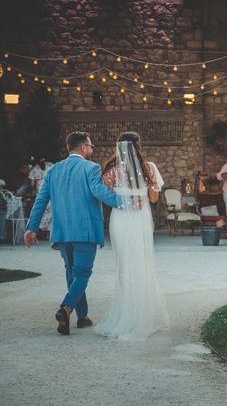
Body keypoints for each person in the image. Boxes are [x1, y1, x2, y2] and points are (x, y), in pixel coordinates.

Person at [24, 132, 122, 336]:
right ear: (84, 148)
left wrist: (31, 228)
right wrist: (125, 203)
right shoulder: (91, 168)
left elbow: (41, 200)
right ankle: (66, 308)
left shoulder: (53, 171)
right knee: (83, 273)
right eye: (91, 146)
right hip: (84, 231)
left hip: (61, 231)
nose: (92, 149)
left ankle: (83, 317)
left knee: (72, 273)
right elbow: (99, 191)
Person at [95, 132, 169, 341]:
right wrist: (147, 189)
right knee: (142, 262)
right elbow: (153, 199)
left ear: (118, 148)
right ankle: (143, 312)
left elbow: (103, 194)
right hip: (140, 219)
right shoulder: (150, 168)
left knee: (124, 264)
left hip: (121, 218)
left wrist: (124, 198)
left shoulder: (110, 169)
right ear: (138, 145)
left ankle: (127, 310)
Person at [28, 158, 53, 239]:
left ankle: (43, 232)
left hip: (43, 193)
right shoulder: (50, 166)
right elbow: (32, 184)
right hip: (48, 192)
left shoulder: (36, 168)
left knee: (43, 212)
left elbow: (32, 184)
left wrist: (33, 192)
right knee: (48, 213)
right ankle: (46, 233)